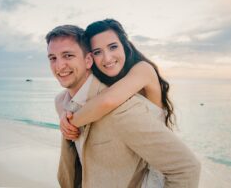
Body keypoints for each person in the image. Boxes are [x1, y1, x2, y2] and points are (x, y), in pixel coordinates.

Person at [46, 23, 201, 188]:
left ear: (88, 60)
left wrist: (70, 121)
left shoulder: (135, 84)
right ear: (93, 57)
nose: (59, 65)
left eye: (68, 55)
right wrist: (66, 111)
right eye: (52, 58)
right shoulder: (63, 101)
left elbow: (108, 101)